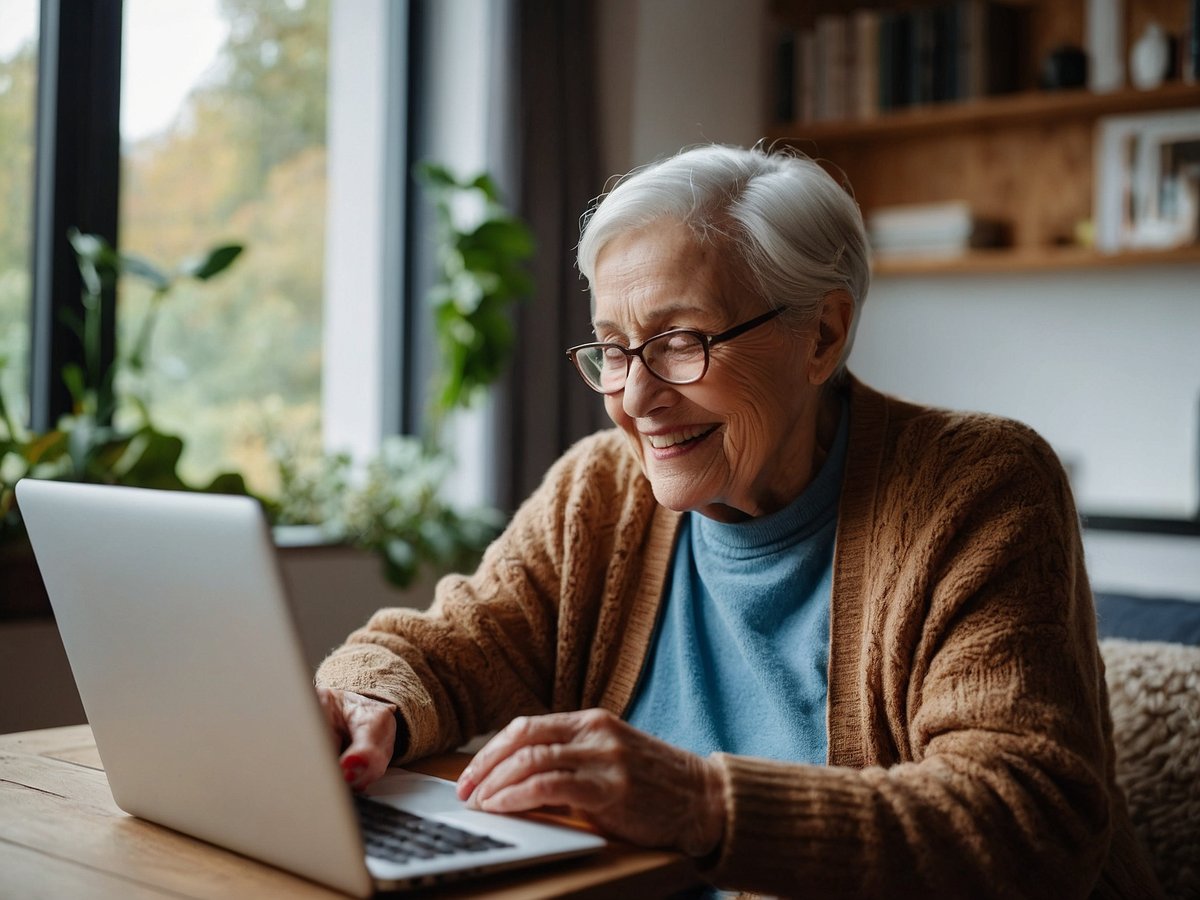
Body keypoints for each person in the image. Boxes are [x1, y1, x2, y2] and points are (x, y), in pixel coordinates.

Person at [315, 143, 1159, 897]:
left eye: (680, 340)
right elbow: (452, 643)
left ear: (822, 335)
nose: (636, 398)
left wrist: (700, 802)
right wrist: (363, 700)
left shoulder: (976, 487)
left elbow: (1027, 818)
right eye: (613, 348)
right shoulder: (599, 491)